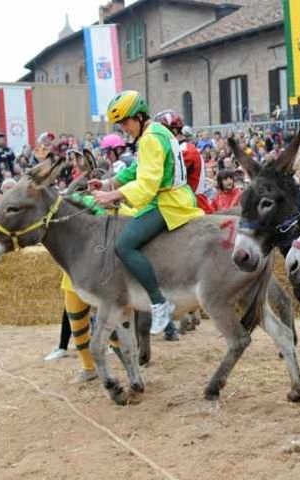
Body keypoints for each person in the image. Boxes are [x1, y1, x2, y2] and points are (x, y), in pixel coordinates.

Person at [90, 90, 204, 335]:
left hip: (168, 202)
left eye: (125, 122)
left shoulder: (150, 137)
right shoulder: (156, 132)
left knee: (124, 246)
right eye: (120, 124)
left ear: (139, 116)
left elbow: (147, 185)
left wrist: (111, 196)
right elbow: (137, 171)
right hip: (172, 197)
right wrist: (109, 184)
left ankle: (159, 302)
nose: (123, 128)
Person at [154, 110, 213, 214]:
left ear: (174, 131)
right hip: (185, 202)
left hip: (194, 205)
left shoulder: (185, 150)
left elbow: (164, 176)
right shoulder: (178, 148)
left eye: (161, 132)